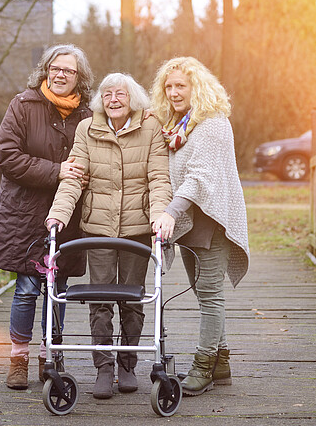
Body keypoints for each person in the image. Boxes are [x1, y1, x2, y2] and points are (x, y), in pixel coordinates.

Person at [46, 73, 173, 399]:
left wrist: (160, 215)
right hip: (98, 229)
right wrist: (58, 215)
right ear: (100, 100)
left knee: (133, 298)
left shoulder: (151, 129)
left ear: (133, 98)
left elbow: (159, 177)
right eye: (107, 94)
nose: (113, 100)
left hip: (137, 229)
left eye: (121, 94)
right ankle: (104, 367)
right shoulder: (86, 129)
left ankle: (128, 364)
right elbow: (73, 179)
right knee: (100, 299)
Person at [0, 44, 94, 390]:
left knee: (58, 288)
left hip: (67, 217)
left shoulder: (89, 116)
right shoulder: (23, 105)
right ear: (46, 70)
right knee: (27, 288)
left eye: (68, 70)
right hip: (27, 214)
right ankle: (18, 358)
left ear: (80, 77)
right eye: (55, 68)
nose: (60, 74)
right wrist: (57, 171)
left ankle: (50, 356)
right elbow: (8, 157)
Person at [151, 57, 250, 396]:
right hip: (191, 223)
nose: (174, 92)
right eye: (169, 86)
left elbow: (200, 177)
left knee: (210, 296)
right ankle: (221, 364)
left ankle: (204, 365)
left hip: (212, 221)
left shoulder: (212, 123)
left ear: (197, 87)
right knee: (202, 292)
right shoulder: (178, 126)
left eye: (181, 85)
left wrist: (171, 212)